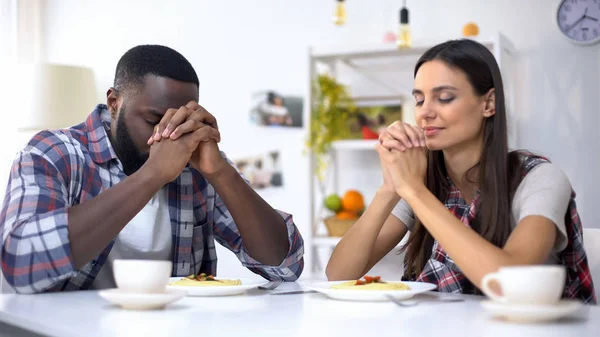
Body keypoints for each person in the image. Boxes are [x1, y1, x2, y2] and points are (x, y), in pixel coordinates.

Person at [0, 45, 304, 294]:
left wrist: (221, 173)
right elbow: (20, 262)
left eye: (179, 122)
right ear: (114, 102)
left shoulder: (198, 167)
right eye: (153, 120)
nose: (166, 136)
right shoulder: (54, 153)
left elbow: (286, 266)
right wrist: (152, 174)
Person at [325, 39, 595, 303]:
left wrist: (414, 190)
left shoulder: (540, 178)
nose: (424, 113)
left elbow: (511, 283)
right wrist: (390, 188)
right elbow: (338, 274)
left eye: (444, 98)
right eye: (419, 101)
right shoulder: (425, 181)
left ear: (489, 104)